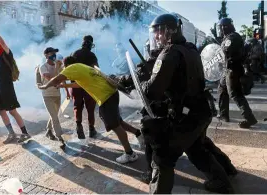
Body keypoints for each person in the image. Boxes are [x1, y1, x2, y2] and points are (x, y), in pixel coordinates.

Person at [135, 14, 233, 193]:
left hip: (185, 116)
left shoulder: (170, 53)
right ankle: (223, 179)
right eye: (154, 32)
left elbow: (153, 91)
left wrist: (141, 82)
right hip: (200, 110)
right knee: (197, 149)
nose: (156, 36)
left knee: (162, 156)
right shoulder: (190, 48)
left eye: (159, 32)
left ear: (170, 30)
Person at [38, 56, 145, 164]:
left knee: (115, 126)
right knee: (118, 121)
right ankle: (139, 134)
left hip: (106, 97)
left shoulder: (70, 68)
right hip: (111, 93)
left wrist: (44, 86)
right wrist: (63, 86)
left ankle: (130, 154)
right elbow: (79, 85)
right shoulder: (82, 67)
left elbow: (56, 79)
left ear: (66, 66)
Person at [217, 18, 257, 128]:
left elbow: (227, 52)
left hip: (233, 70)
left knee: (235, 94)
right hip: (228, 70)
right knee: (221, 89)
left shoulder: (232, 37)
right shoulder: (231, 37)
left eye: (221, 27)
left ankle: (249, 118)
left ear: (225, 27)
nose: (220, 29)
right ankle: (223, 114)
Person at [71, 35, 98, 139]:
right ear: (91, 44)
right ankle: (91, 130)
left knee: (77, 107)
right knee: (90, 108)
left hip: (76, 85)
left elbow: (70, 68)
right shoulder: (92, 55)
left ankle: (79, 127)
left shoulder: (75, 53)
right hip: (89, 86)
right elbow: (96, 70)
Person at [37, 47, 65, 147]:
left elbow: (63, 77)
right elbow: (51, 79)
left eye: (55, 53)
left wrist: (67, 91)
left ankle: (49, 130)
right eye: (52, 53)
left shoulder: (58, 64)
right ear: (46, 55)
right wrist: (57, 67)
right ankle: (60, 138)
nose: (54, 55)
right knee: (54, 117)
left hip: (57, 94)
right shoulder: (43, 67)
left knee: (54, 115)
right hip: (47, 95)